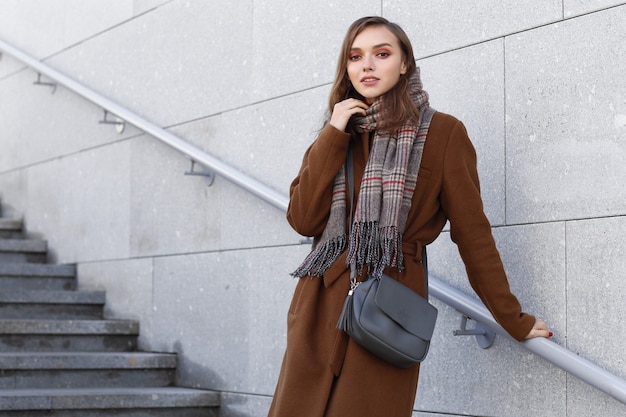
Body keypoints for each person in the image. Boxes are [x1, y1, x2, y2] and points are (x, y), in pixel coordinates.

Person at [268, 16, 552, 417]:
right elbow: (302, 219)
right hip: (320, 304)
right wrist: (333, 134)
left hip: (389, 304)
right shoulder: (337, 132)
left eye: (381, 54)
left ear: (404, 64)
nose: (367, 65)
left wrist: (512, 317)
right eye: (355, 56)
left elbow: (473, 235)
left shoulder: (444, 133)